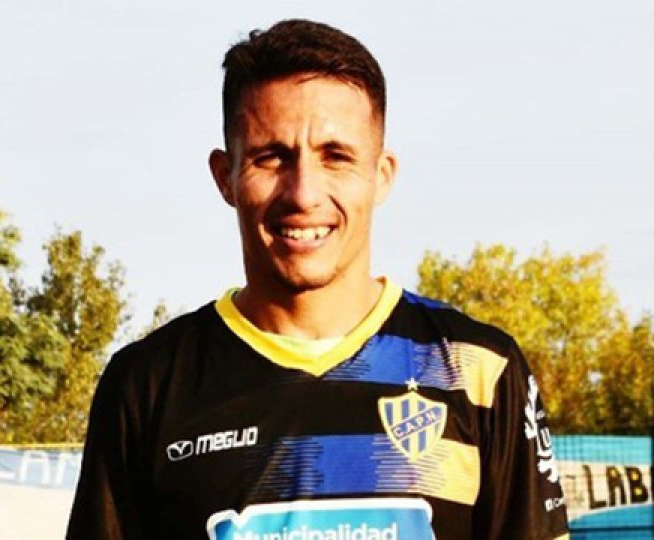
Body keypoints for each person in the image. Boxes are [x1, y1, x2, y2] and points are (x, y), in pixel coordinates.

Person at [67, 19, 569, 540]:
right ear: (225, 176)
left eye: (336, 157)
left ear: (381, 175)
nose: (303, 193)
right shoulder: (147, 385)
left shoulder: (479, 370)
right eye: (271, 158)